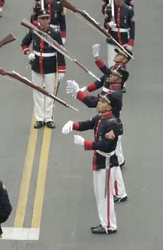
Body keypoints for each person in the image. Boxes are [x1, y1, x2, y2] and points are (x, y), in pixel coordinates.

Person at [61, 91, 122, 234]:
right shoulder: (101, 117)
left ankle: (109, 225)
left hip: (106, 162)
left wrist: (86, 143)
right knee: (99, 194)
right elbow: (88, 124)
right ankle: (104, 222)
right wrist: (73, 125)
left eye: (102, 102)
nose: (99, 103)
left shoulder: (112, 124)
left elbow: (107, 145)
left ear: (109, 107)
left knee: (105, 196)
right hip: (99, 160)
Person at [21, 10, 66, 129]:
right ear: (38, 20)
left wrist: (61, 69)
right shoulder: (34, 30)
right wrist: (28, 53)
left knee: (50, 93)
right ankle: (40, 118)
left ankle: (48, 118)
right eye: (42, 18)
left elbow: (60, 51)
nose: (45, 21)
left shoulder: (55, 33)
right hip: (36, 65)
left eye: (47, 18)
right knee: (38, 93)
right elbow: (24, 44)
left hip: (50, 65)